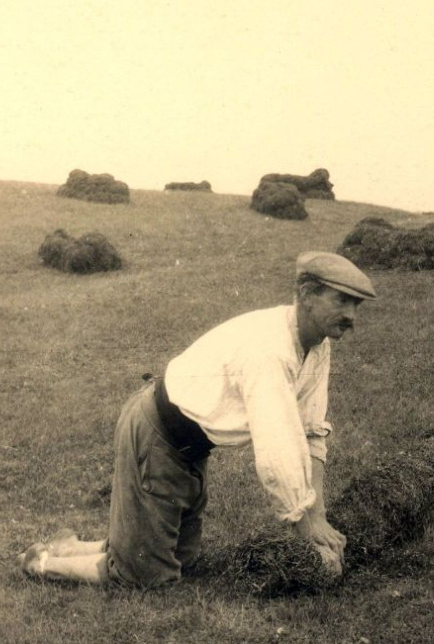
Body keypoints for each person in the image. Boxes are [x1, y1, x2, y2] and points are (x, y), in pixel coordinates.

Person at [21, 251, 377, 588]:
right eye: (341, 301)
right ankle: (42, 562)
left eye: (356, 304)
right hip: (158, 431)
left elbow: (312, 431)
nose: (352, 316)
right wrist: (307, 534)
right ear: (306, 294)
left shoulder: (317, 344)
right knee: (145, 576)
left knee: (181, 557)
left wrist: (320, 516)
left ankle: (73, 546)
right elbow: (277, 451)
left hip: (191, 446)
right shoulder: (269, 352)